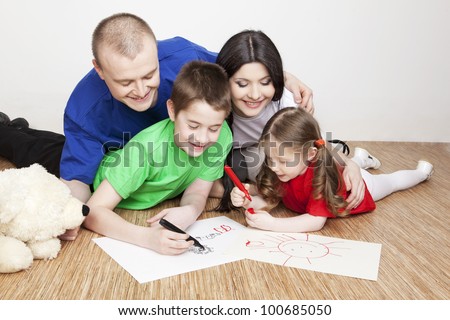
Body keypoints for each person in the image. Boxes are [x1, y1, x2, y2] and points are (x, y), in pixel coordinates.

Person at [85, 60, 232, 255]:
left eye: (213, 128)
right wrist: (146, 238)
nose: (203, 138)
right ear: (172, 110)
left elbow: (198, 190)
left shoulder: (223, 136)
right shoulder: (145, 150)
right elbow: (91, 212)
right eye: (193, 126)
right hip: (96, 173)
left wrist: (191, 210)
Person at [212, 30, 365, 211]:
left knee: (309, 171)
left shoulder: (286, 103)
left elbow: (316, 143)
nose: (254, 95)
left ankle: (361, 159)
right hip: (241, 154)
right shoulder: (214, 106)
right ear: (225, 81)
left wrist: (352, 164)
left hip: (275, 152)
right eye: (242, 84)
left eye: (265, 82)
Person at [230, 107, 433, 233]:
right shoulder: (283, 168)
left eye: (282, 160)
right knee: (346, 163)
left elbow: (315, 221)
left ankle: (421, 173)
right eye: (271, 158)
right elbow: (269, 198)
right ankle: (360, 158)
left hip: (358, 185)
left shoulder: (318, 177)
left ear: (310, 154)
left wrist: (272, 225)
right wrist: (248, 200)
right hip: (335, 166)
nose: (273, 166)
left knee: (391, 182)